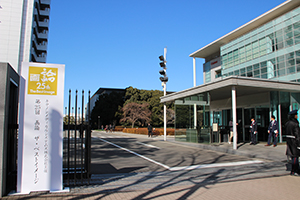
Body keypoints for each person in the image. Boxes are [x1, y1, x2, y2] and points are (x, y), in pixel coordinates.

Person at [285, 109, 300, 176]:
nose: (297, 116)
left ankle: (295, 170)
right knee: (295, 156)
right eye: (296, 115)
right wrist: (299, 143)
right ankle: (294, 170)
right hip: (294, 141)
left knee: (292, 155)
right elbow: (297, 134)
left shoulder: (287, 123)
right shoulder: (295, 123)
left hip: (289, 141)